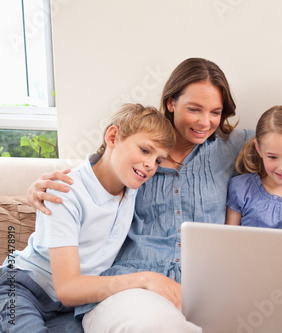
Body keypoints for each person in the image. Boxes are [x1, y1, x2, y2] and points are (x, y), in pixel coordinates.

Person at [26, 57, 282, 332]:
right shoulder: (139, 154)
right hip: (134, 288)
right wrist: (42, 184)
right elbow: (102, 167)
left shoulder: (231, 145)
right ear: (170, 103)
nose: (205, 122)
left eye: (215, 112)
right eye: (195, 108)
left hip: (207, 292)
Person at [0, 104, 176, 333]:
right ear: (113, 137)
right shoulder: (65, 191)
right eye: (145, 150)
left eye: (158, 160)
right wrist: (146, 279)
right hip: (21, 290)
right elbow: (68, 287)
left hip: (68, 309)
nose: (151, 165)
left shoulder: (133, 188)